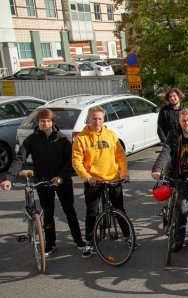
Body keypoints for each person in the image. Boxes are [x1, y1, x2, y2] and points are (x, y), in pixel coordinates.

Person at [1, 108, 85, 255]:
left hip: (62, 181)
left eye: (47, 121)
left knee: (69, 211)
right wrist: (8, 178)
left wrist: (61, 177)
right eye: (42, 121)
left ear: (52, 122)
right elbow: (20, 159)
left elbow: (70, 162)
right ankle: (50, 244)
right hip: (43, 181)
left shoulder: (62, 139)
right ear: (38, 122)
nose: (45, 124)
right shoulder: (31, 140)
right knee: (48, 214)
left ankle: (79, 241)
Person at [72, 106, 136, 258]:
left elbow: (120, 155)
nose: (97, 121)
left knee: (119, 209)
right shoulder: (82, 138)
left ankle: (128, 237)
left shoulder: (111, 135)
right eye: (94, 118)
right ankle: (89, 242)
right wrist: (87, 177)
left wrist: (125, 174)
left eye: (100, 118)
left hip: (113, 178)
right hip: (93, 180)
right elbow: (76, 161)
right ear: (89, 119)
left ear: (103, 119)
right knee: (92, 212)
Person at [152, 108, 188, 252]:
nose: (187, 123)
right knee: (182, 209)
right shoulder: (173, 135)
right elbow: (166, 152)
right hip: (181, 178)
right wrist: (157, 168)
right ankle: (179, 239)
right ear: (179, 121)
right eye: (184, 120)